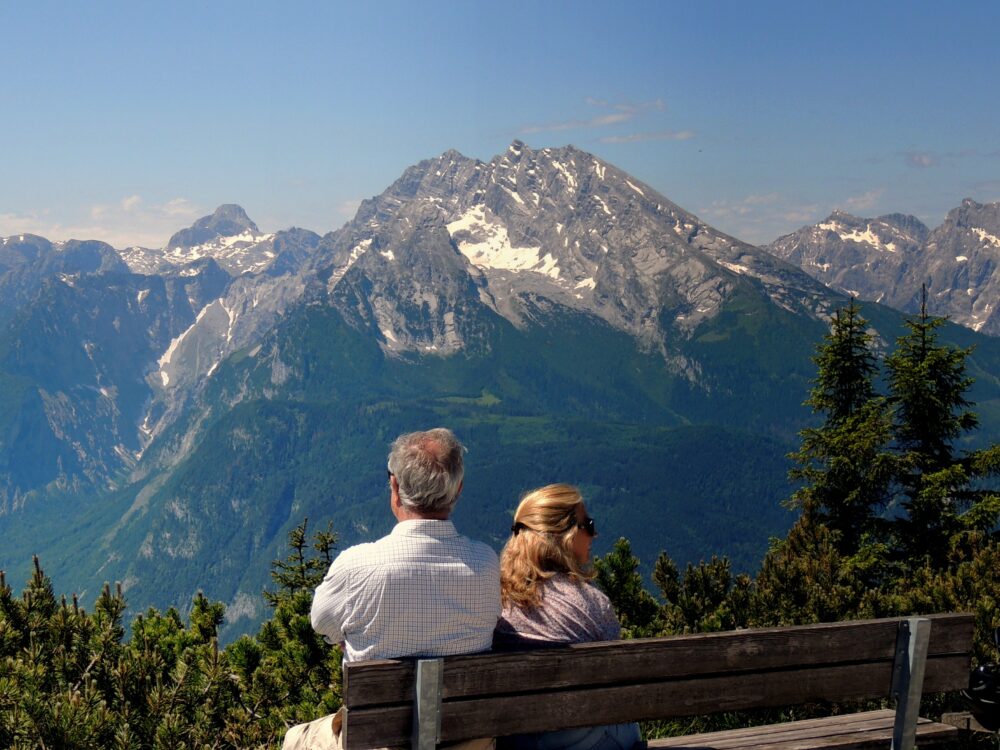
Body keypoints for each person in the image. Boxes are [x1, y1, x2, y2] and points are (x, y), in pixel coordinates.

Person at [284, 428, 500, 749]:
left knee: (294, 739)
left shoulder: (358, 565)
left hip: (376, 740)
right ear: (457, 491)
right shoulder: (486, 562)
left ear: (395, 488)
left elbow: (321, 624)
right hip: (467, 741)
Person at [494, 484, 640, 750]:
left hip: (516, 743)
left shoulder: (492, 601)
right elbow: (618, 686)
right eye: (589, 524)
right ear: (567, 535)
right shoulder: (592, 604)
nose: (595, 534)